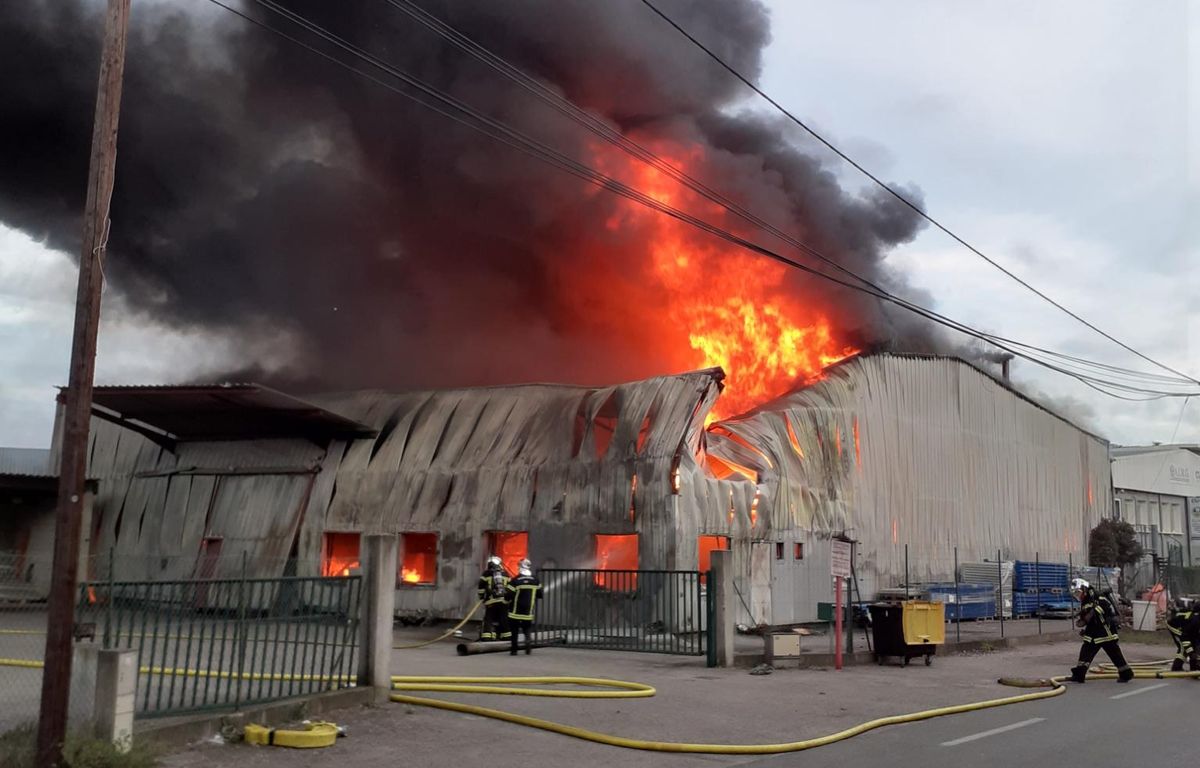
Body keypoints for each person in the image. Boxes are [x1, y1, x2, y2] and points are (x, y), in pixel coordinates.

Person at [1069, 578, 1133, 683]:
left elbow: (1105, 611)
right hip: (1094, 632)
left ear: (1084, 589)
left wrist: (1090, 614)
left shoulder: (1098, 597)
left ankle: (1126, 673)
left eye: (1078, 592)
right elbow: (1087, 617)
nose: (1077, 596)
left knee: (1114, 654)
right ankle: (1079, 675)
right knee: (1086, 652)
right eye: (1075, 594)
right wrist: (1085, 621)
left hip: (1105, 631)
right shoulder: (1087, 599)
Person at [506, 559, 542, 655]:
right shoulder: (535, 580)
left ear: (520, 567)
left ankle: (514, 650)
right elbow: (540, 594)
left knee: (514, 630)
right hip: (528, 611)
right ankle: (528, 642)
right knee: (527, 628)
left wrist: (506, 600)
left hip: (515, 612)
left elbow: (508, 595)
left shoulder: (515, 580)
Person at [476, 556, 511, 642]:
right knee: (503, 618)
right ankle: (506, 636)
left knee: (489, 619)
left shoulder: (486, 574)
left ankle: (487, 636)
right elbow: (510, 587)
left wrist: (481, 597)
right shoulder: (506, 574)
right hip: (504, 601)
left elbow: (481, 587)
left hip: (491, 601)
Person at [1166, 596, 1199, 672]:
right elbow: (1184, 636)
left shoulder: (1195, 618)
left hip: (1183, 625)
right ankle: (1176, 667)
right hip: (1174, 624)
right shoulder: (1195, 620)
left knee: (1190, 645)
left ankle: (1193, 667)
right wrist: (1191, 653)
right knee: (1183, 646)